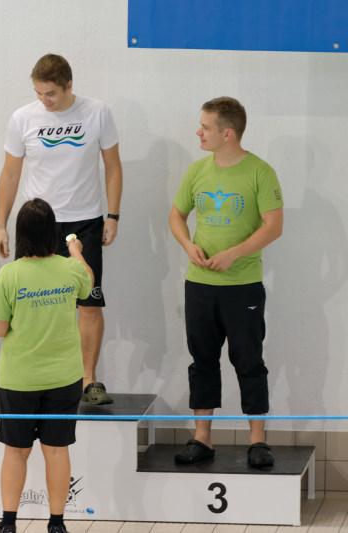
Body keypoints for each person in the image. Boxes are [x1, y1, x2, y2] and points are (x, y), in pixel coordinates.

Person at [0, 53, 122, 405]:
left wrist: (113, 216)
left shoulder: (97, 112)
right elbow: (10, 174)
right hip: (38, 221)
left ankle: (88, 380)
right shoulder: (22, 118)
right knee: (30, 302)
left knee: (89, 303)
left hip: (84, 219)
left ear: (68, 86)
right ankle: (36, 376)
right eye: (38, 93)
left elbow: (112, 166)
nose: (44, 100)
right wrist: (1, 225)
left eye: (50, 93)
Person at [169, 97, 283, 468]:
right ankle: (202, 437)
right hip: (199, 285)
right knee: (202, 359)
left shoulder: (260, 172)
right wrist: (188, 245)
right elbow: (176, 215)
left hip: (243, 286)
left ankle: (257, 440)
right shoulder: (197, 171)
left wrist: (235, 253)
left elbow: (274, 226)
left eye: (205, 127)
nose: (198, 132)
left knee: (249, 360)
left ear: (228, 133)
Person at [0, 198, 93, 533]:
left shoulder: (9, 275)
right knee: (57, 452)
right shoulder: (71, 269)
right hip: (64, 378)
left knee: (15, 452)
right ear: (52, 232)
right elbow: (88, 282)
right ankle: (57, 523)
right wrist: (75, 250)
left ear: (20, 234)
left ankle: (8, 523)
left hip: (19, 379)